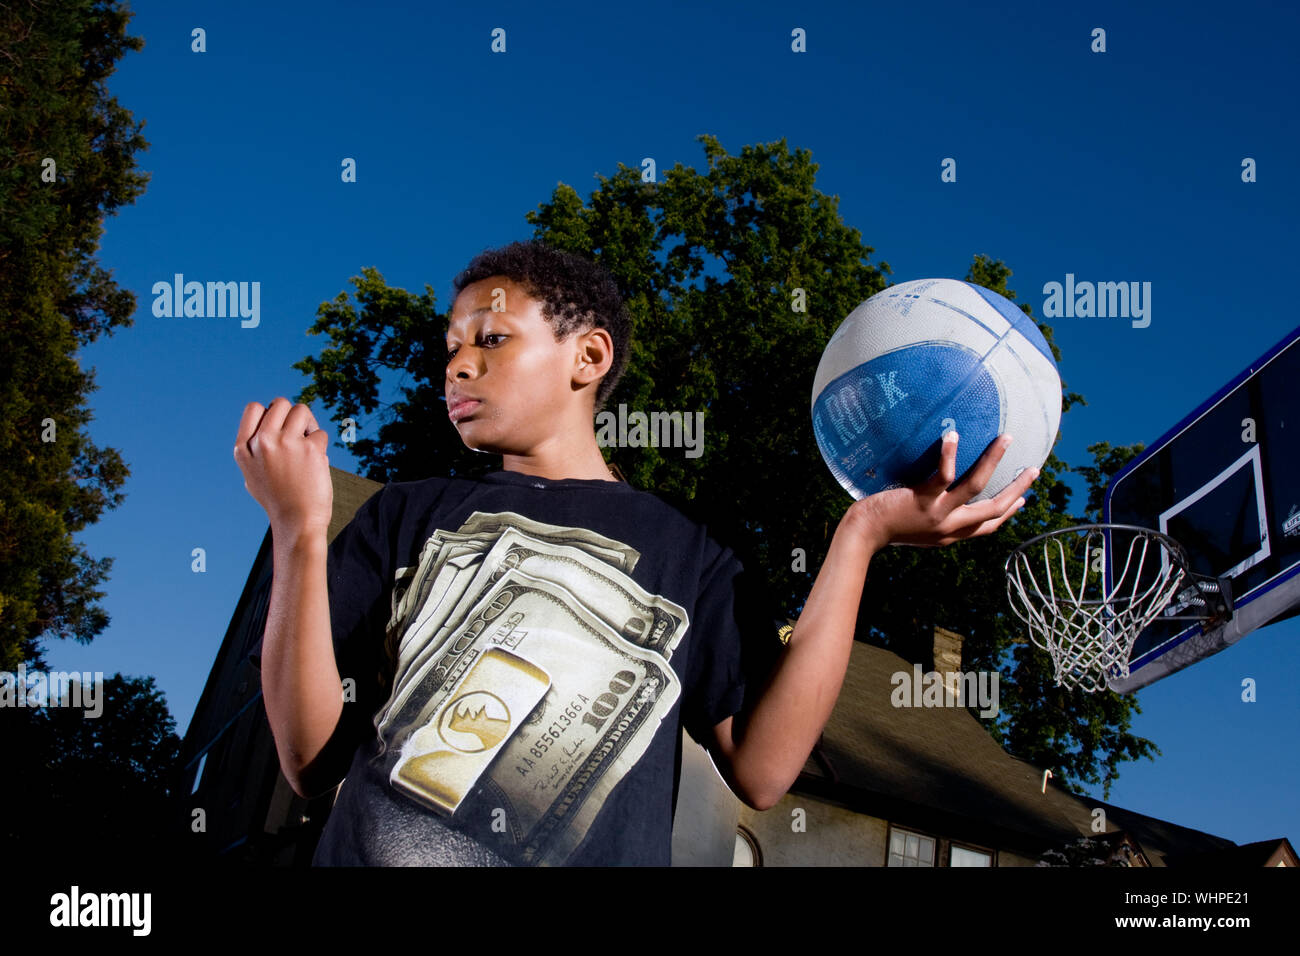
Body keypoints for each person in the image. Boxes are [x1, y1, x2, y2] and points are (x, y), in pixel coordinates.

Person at [233, 240, 1038, 865]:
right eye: (449, 347)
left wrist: (858, 539)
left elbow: (762, 772)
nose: (458, 363)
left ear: (588, 357)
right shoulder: (408, 514)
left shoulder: (693, 554)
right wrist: (298, 531)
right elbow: (307, 761)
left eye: (492, 337)